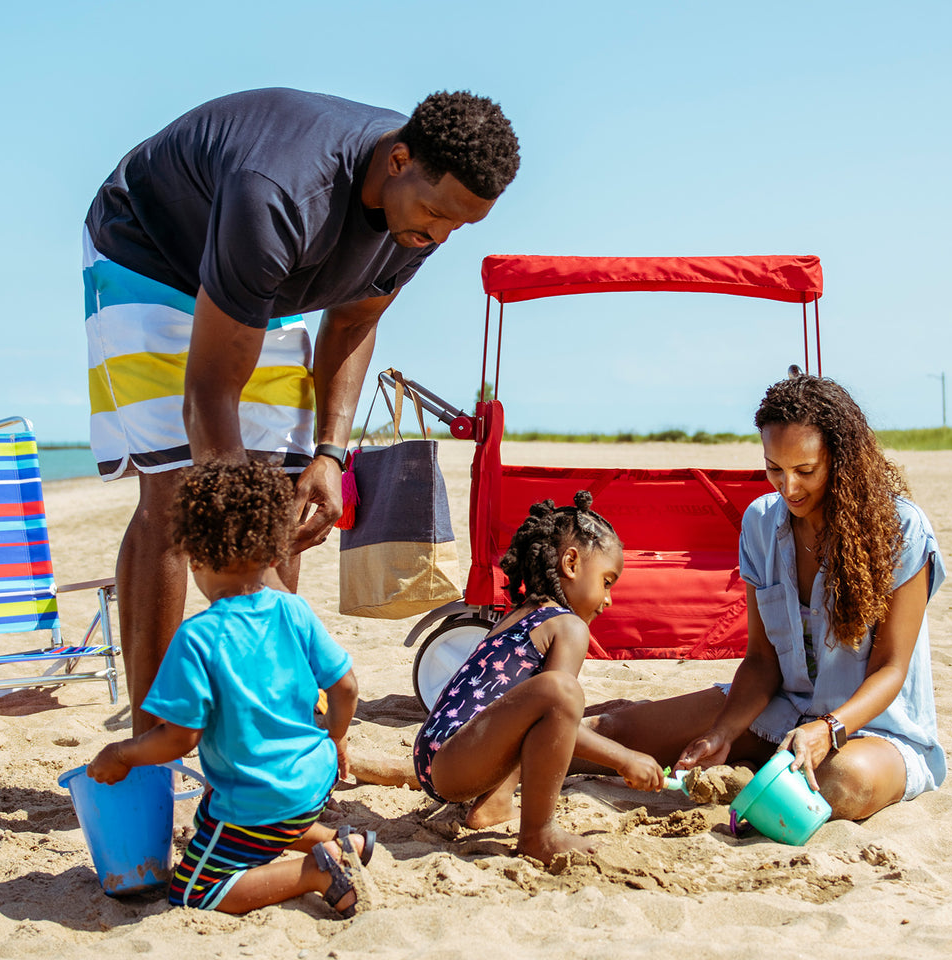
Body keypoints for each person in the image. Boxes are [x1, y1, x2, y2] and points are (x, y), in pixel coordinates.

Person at [82, 87, 520, 731]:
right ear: (397, 160)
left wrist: (328, 453)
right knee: (180, 493)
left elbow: (353, 321)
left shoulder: (420, 217)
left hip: (264, 278)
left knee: (287, 490)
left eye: (461, 224)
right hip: (149, 252)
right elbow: (208, 392)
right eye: (436, 214)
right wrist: (234, 547)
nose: (441, 236)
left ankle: (266, 720)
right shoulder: (280, 195)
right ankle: (156, 734)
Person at [587, 374, 946, 822]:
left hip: (873, 732)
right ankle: (496, 745)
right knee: (615, 732)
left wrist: (827, 729)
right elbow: (761, 661)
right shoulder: (760, 522)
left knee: (840, 783)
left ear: (842, 459)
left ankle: (765, 772)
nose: (788, 487)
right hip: (781, 709)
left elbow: (892, 668)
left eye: (806, 471)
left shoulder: (902, 529)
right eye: (774, 468)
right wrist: (722, 734)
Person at [86, 458, 374, 917]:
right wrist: (335, 739)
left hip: (262, 794)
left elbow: (179, 738)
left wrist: (122, 753)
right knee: (211, 817)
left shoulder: (197, 637)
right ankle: (344, 840)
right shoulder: (292, 611)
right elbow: (346, 687)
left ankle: (320, 871)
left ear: (194, 558)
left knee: (194, 890)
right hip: (314, 779)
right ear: (274, 551)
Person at [409, 492, 665, 865]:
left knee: (534, 701)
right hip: (455, 762)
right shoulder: (568, 627)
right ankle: (538, 834)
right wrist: (624, 759)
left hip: (438, 753)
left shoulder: (523, 614)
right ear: (572, 563)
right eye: (607, 581)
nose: (608, 599)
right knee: (560, 693)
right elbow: (561, 718)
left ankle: (495, 804)